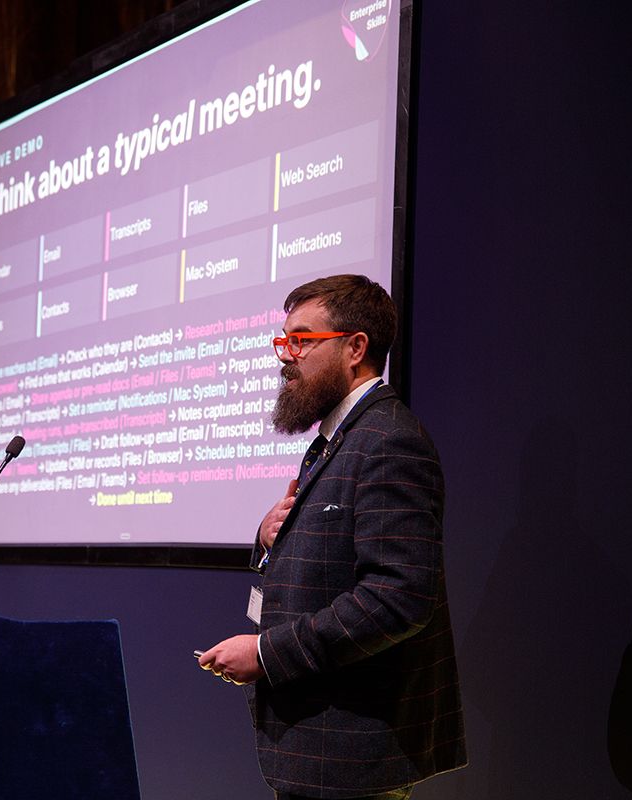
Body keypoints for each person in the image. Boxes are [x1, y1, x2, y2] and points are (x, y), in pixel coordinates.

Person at [199, 275, 467, 799]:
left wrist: (267, 653)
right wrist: (268, 536)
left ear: (355, 348)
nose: (286, 355)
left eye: (302, 339)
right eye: (284, 340)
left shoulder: (389, 440)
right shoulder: (341, 438)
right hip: (320, 744)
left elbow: (397, 599)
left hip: (351, 751)